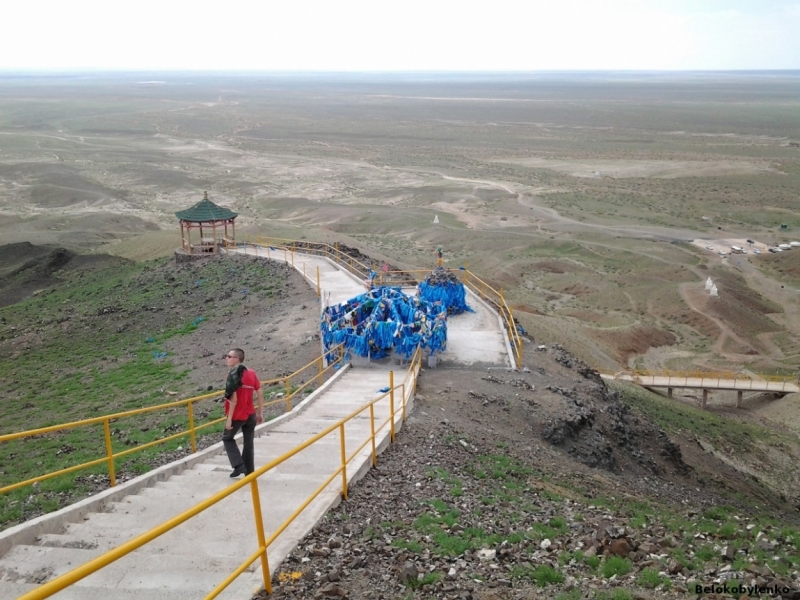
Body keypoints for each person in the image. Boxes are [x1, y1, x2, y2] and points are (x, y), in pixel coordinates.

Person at [222, 348, 264, 477]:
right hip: (250, 413)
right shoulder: (251, 373)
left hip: (237, 415)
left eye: (229, 356)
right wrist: (260, 413)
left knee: (227, 438)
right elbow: (260, 393)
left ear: (237, 359)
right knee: (248, 442)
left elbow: (233, 399)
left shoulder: (233, 374)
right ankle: (249, 472)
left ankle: (239, 465)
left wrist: (229, 418)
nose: (226, 358)